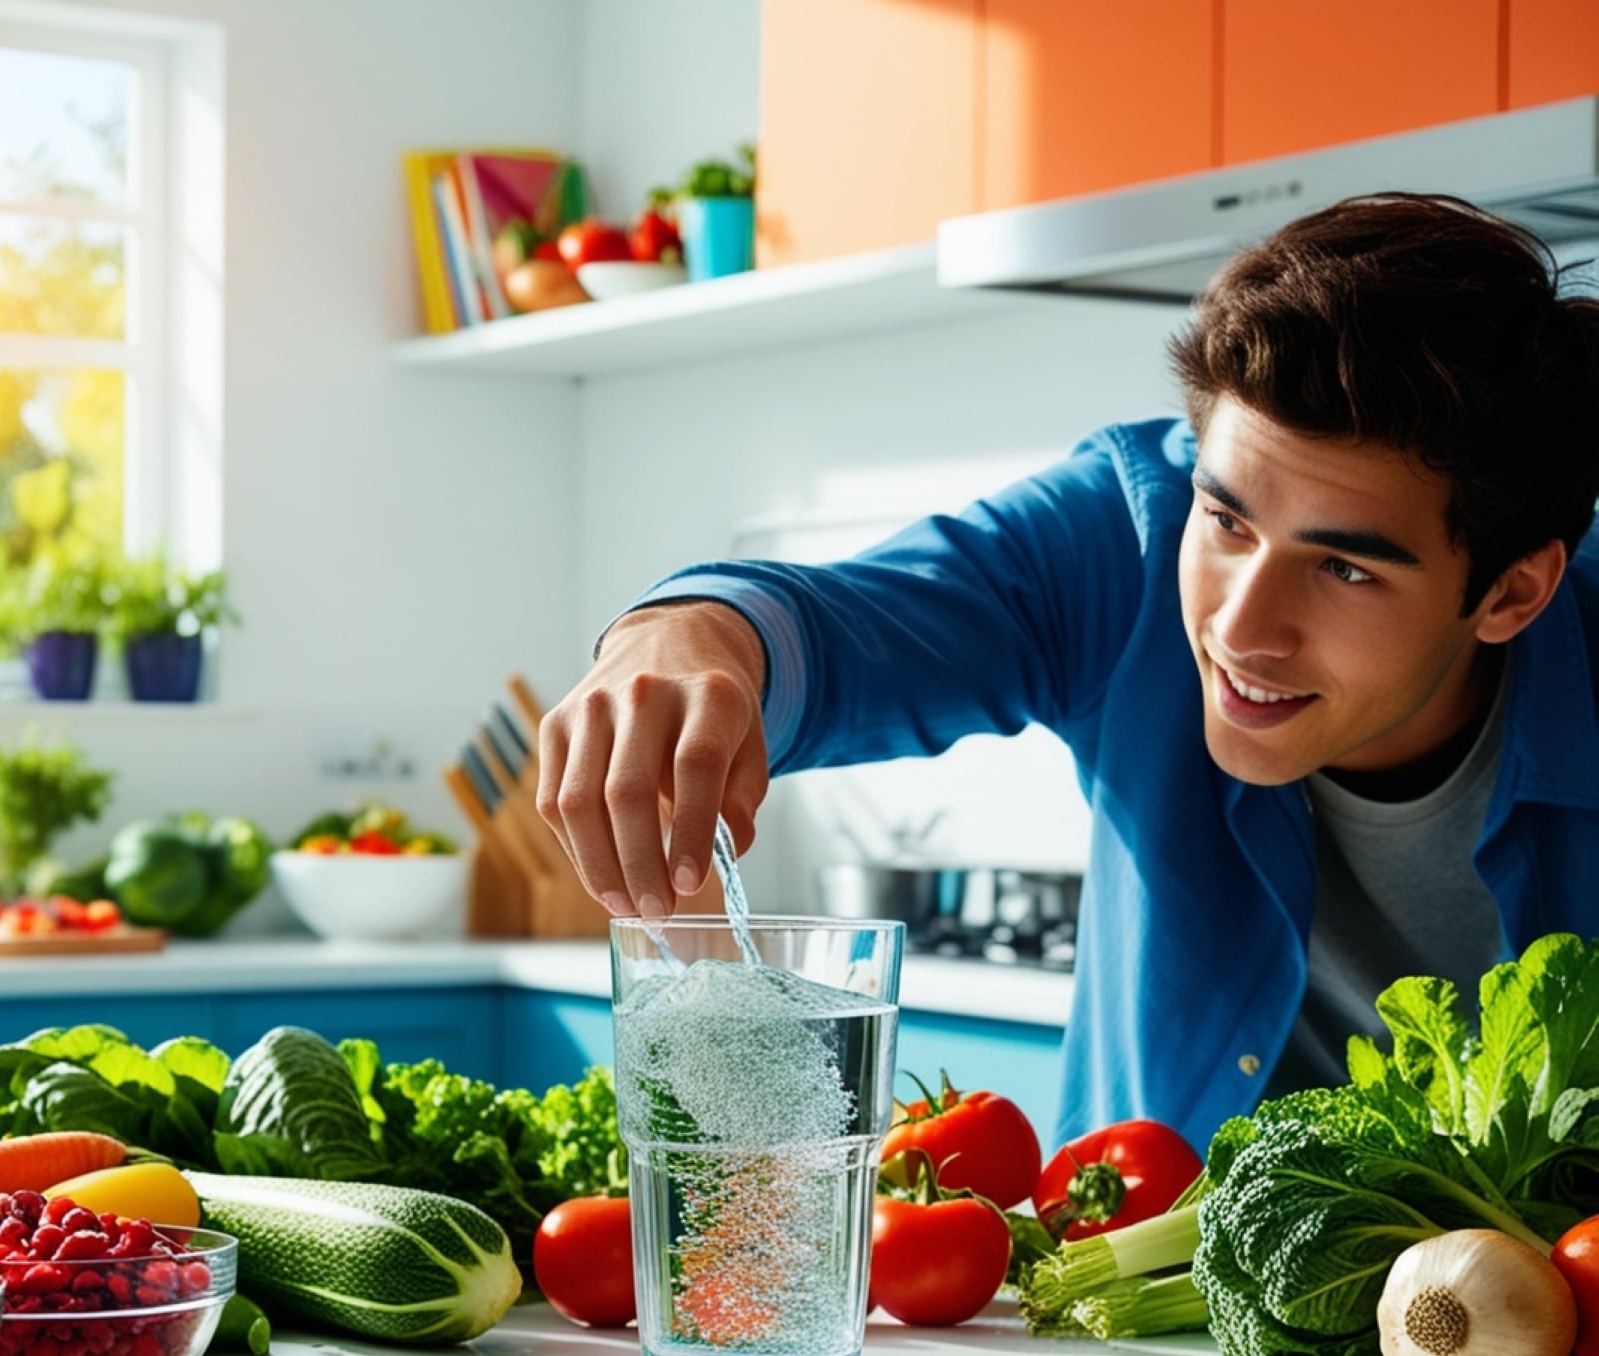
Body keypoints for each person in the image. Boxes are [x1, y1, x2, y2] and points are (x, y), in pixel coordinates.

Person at [535, 192, 1599, 1151]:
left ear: (1511, 593)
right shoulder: (1130, 534)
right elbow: (840, 628)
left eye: (1345, 569)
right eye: (1226, 520)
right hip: (1141, 1321)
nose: (1241, 625)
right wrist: (682, 638)